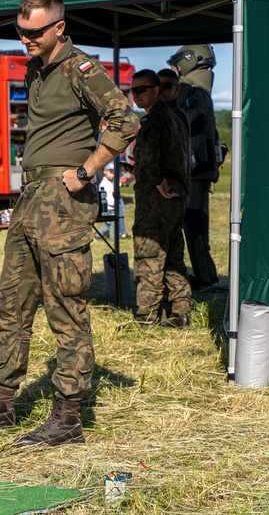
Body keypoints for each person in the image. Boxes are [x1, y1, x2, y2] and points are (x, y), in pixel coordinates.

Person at [0, 0, 139, 447]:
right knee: (10, 306)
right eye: (20, 30)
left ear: (59, 28)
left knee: (65, 309)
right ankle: (0, 405)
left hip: (64, 201)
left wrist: (87, 170)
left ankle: (68, 418)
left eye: (34, 31)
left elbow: (125, 119)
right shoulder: (35, 70)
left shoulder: (80, 68)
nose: (25, 38)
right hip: (31, 198)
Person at [128, 70, 192, 328]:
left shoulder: (154, 120)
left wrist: (155, 180)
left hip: (156, 200)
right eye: (133, 91)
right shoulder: (174, 117)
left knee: (149, 256)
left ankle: (147, 318)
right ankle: (181, 313)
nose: (137, 95)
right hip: (174, 198)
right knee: (174, 257)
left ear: (156, 90)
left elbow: (150, 158)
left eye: (142, 89)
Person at [168, 44, 222, 290]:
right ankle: (205, 275)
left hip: (194, 173)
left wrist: (188, 168)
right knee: (194, 225)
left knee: (194, 226)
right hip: (198, 172)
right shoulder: (200, 94)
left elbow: (195, 136)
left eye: (176, 65)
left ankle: (204, 279)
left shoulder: (195, 95)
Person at [96, 162, 128, 240]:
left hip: (112, 207)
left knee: (109, 223)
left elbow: (112, 190)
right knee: (112, 223)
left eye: (114, 172)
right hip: (109, 207)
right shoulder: (103, 184)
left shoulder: (109, 182)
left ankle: (97, 235)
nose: (113, 175)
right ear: (104, 172)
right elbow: (103, 196)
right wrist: (111, 203)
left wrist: (119, 184)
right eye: (111, 172)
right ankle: (112, 238)